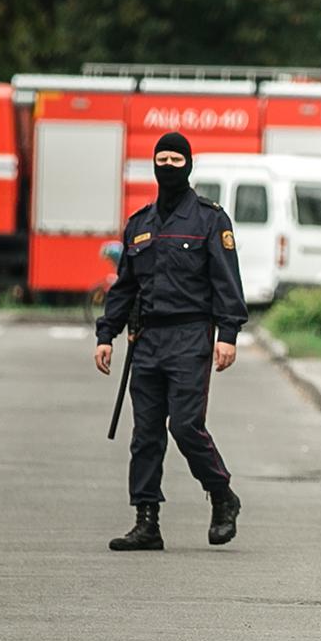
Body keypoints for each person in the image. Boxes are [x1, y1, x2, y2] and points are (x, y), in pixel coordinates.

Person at [94, 132, 248, 551]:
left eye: (175, 160)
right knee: (145, 434)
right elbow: (125, 287)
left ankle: (221, 494)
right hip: (147, 339)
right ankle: (147, 522)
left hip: (190, 336)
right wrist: (106, 334)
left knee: (184, 426)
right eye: (161, 160)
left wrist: (228, 334)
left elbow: (226, 281)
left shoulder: (210, 220)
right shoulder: (140, 224)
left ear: (188, 165)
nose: (167, 167)